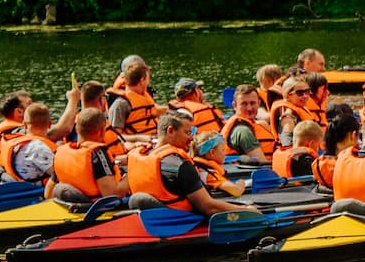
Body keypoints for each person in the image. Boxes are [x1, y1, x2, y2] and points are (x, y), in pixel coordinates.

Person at [126, 112, 254, 214]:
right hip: (179, 222)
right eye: (187, 133)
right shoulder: (179, 164)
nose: (192, 138)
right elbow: (208, 207)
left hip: (150, 216)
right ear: (170, 131)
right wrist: (246, 211)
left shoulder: (139, 155)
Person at [48, 108, 130, 203]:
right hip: (95, 209)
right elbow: (113, 195)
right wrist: (133, 169)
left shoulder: (61, 152)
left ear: (76, 129)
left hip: (70, 203)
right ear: (102, 131)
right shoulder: (97, 153)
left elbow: (48, 193)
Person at [0, 103, 58, 184]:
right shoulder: (39, 148)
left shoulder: (17, 143)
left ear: (25, 125)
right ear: (50, 124)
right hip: (35, 189)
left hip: (17, 182)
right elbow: (59, 175)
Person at [225, 85, 279, 159]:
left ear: (259, 103)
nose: (249, 108)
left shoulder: (258, 124)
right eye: (244, 104)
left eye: (252, 103)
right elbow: (262, 163)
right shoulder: (243, 131)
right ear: (235, 106)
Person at [109, 62, 162, 138]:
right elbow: (116, 136)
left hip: (156, 138)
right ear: (142, 80)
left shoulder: (145, 98)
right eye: (148, 79)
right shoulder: (121, 104)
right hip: (138, 145)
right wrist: (140, 138)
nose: (148, 82)